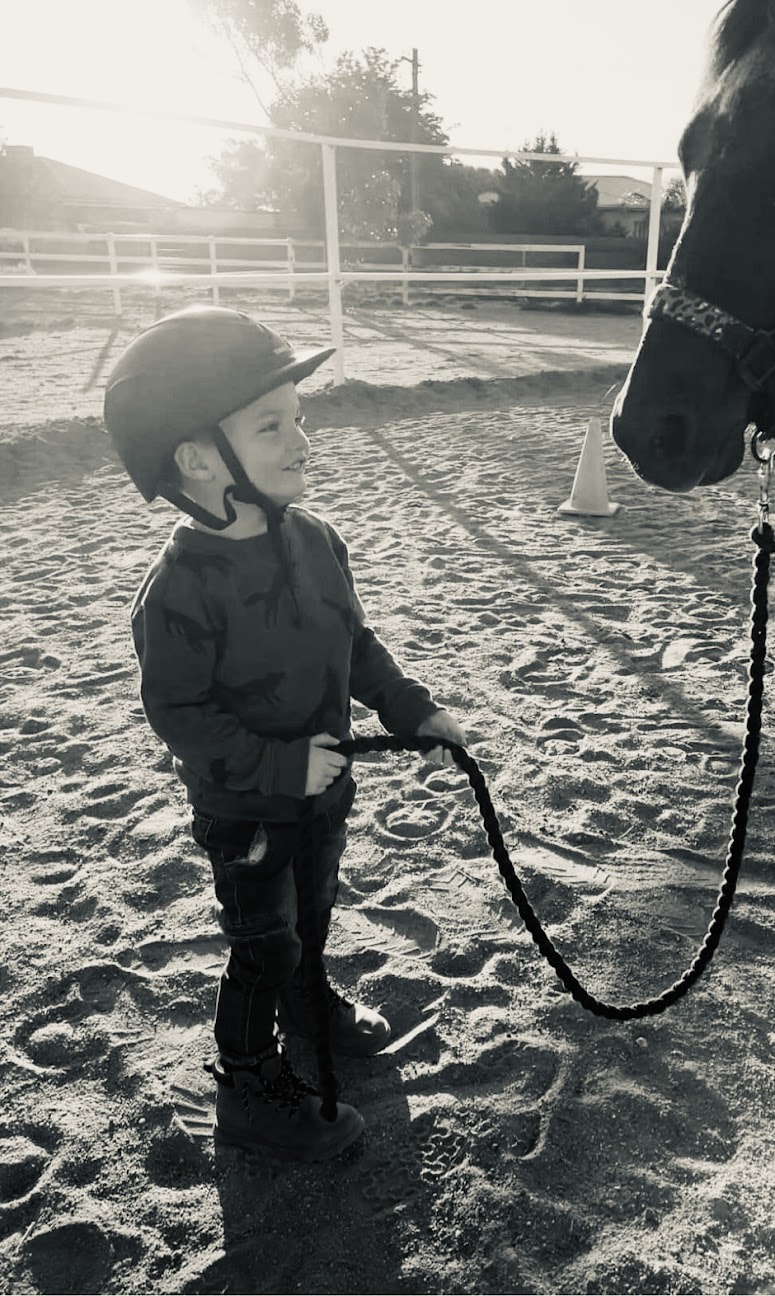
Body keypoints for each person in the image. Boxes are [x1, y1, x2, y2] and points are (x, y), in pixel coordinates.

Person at [104, 305, 467, 1162]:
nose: (302, 439)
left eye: (298, 418)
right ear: (195, 459)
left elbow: (357, 642)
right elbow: (180, 716)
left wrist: (412, 709)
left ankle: (310, 1003)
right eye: (271, 425)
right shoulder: (180, 591)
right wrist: (277, 764)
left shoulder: (319, 539)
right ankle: (246, 1083)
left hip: (325, 786)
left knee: (315, 910)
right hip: (248, 810)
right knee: (261, 943)